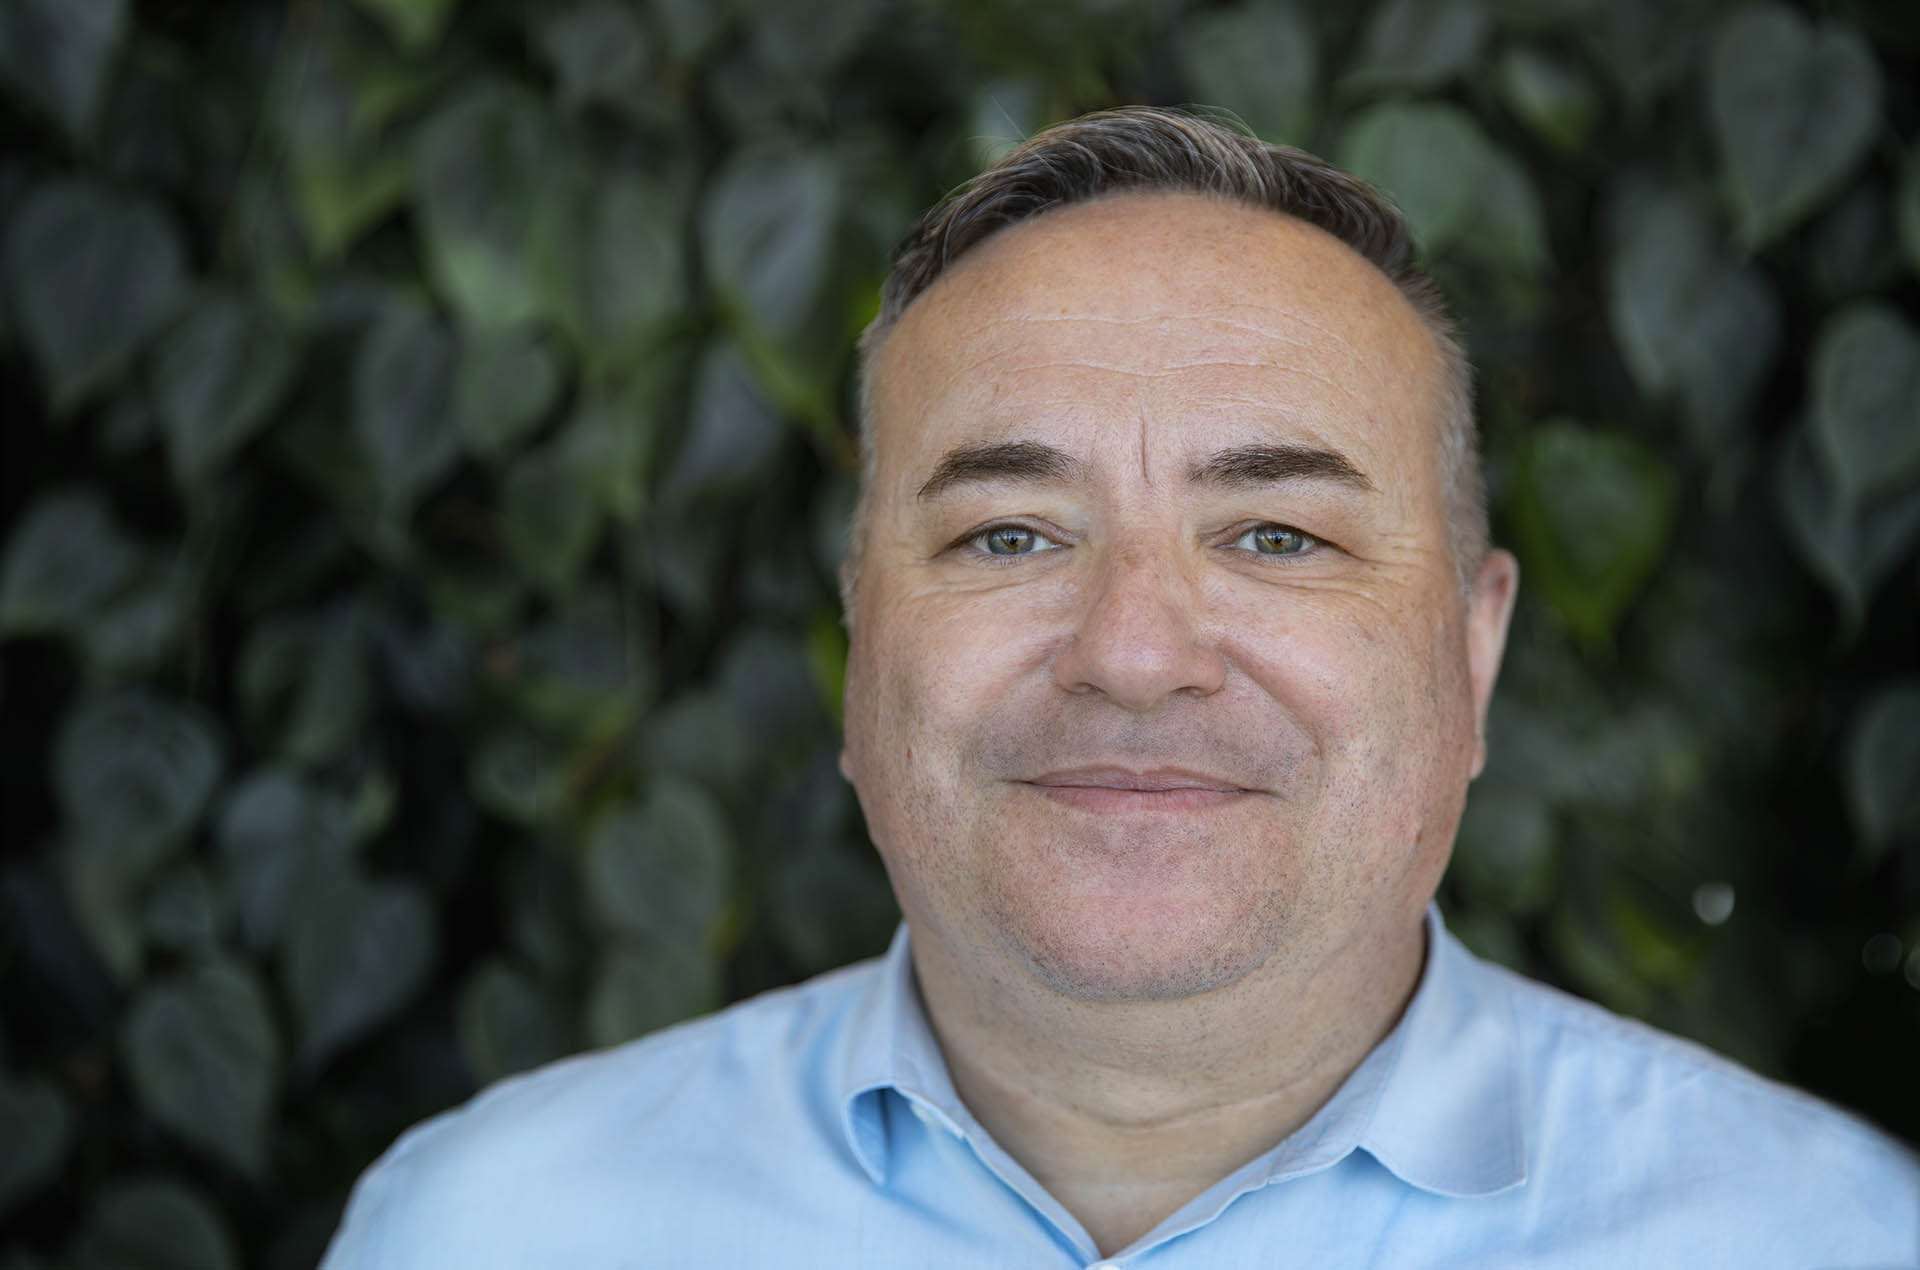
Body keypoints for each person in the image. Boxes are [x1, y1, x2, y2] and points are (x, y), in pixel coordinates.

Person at [320, 107, 1918, 1268]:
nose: (1138, 653)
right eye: (1011, 530)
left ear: (1474, 648)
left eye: (1278, 532)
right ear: (863, 644)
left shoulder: (1828, 1237)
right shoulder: (484, 1227)